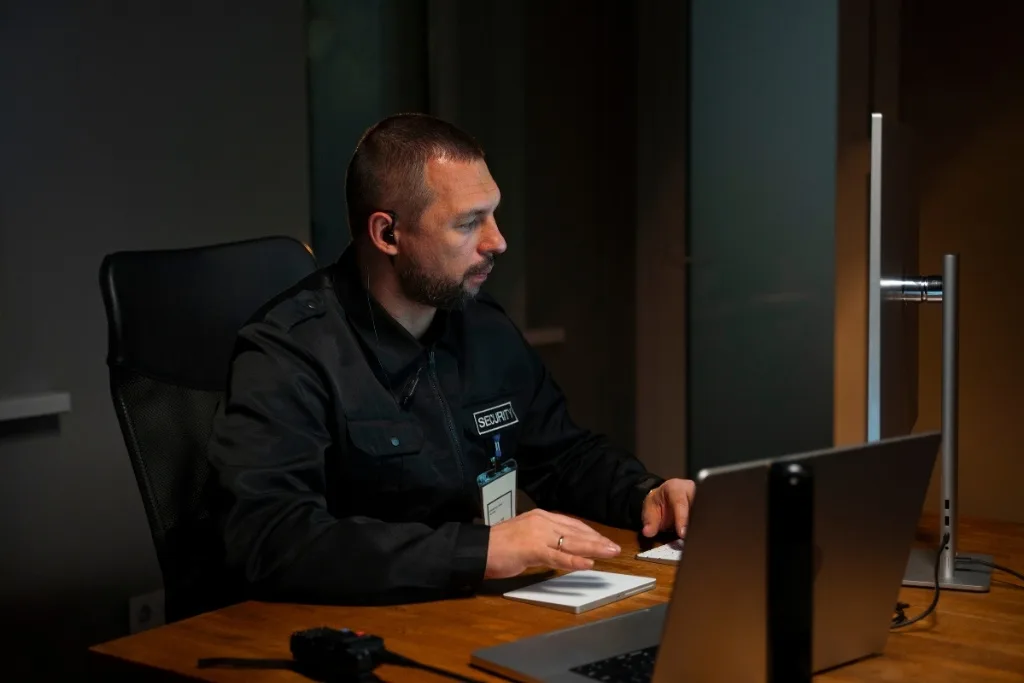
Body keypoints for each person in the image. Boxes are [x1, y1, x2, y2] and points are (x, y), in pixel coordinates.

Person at [206, 113, 696, 606]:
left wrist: (645, 494)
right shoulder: (290, 351)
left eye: (493, 214)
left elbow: (563, 456)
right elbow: (272, 537)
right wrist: (479, 552)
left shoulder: (480, 324)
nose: (497, 241)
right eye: (467, 223)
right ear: (388, 234)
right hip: (342, 622)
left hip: (458, 607)